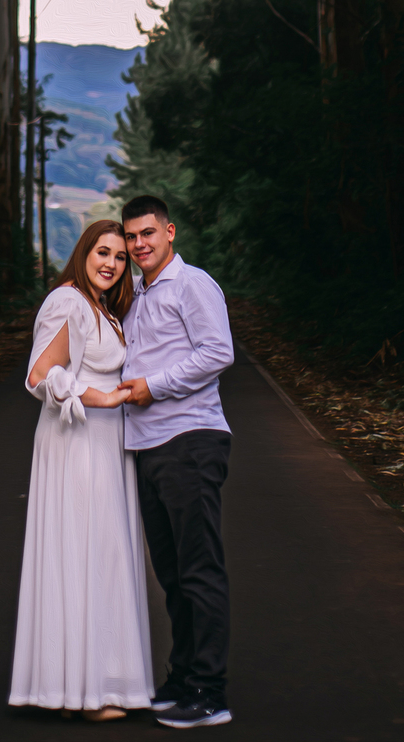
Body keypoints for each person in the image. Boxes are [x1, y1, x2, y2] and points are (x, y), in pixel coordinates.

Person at [9, 219, 155, 722]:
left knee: (104, 553)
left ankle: (83, 684)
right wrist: (98, 395)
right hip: (76, 443)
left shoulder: (102, 309)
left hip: (106, 442)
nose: (112, 263)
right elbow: (38, 375)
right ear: (83, 253)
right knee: (86, 550)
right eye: (103, 252)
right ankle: (82, 692)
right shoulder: (67, 301)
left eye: (120, 256)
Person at [118, 196, 235, 730]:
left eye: (148, 233)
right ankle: (182, 676)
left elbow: (218, 352)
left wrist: (153, 387)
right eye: (131, 237)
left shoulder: (192, 284)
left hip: (190, 439)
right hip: (148, 448)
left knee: (198, 568)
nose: (139, 244)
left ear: (169, 231)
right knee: (171, 573)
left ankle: (210, 691)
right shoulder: (137, 294)